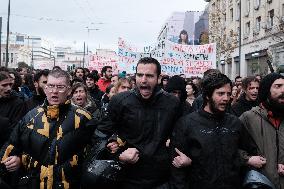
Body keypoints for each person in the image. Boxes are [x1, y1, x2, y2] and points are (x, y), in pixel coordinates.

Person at [0, 69, 94, 188]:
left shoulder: (84, 118)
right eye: (50, 86)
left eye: (60, 87)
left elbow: (97, 150)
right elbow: (11, 145)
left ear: (69, 90)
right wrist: (16, 159)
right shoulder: (31, 117)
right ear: (45, 89)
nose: (54, 91)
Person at [100, 57, 180, 188]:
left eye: (149, 76)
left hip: (161, 179)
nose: (143, 80)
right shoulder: (120, 101)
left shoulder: (172, 103)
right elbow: (101, 132)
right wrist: (116, 150)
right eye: (140, 75)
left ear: (159, 78)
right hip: (126, 177)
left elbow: (180, 136)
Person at [169, 73, 256, 189]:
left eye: (228, 94)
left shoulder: (235, 123)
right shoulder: (187, 124)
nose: (226, 98)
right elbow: (177, 171)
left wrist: (246, 160)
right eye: (220, 93)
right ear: (207, 96)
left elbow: (247, 153)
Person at [240, 73, 284, 189]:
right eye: (278, 86)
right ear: (266, 90)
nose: (283, 90)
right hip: (261, 183)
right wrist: (248, 159)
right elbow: (230, 147)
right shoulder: (248, 118)